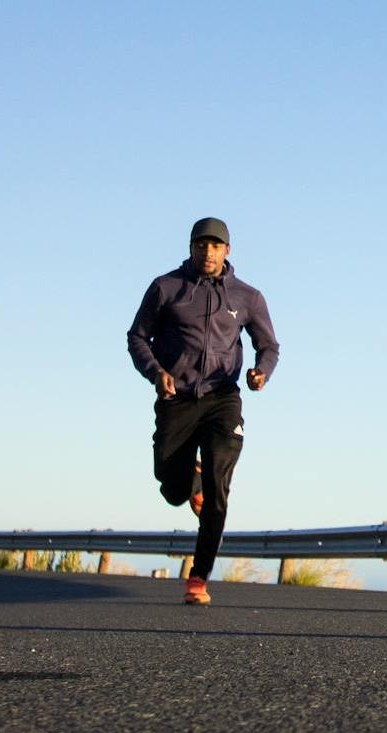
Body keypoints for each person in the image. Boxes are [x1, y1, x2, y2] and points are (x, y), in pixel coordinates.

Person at [127, 217, 280, 605]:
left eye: (215, 246)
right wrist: (157, 373)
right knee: (172, 486)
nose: (207, 253)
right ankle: (187, 482)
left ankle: (198, 577)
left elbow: (269, 345)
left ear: (228, 251)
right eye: (201, 245)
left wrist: (262, 371)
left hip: (222, 399)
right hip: (176, 398)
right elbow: (137, 337)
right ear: (191, 247)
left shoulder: (247, 296)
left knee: (218, 485)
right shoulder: (166, 288)